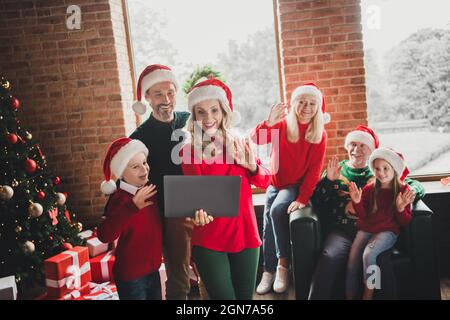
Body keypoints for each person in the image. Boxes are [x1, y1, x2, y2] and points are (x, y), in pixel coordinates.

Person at [309, 125, 425, 299]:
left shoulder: (380, 170)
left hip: (376, 232)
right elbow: (316, 202)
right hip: (343, 231)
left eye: (363, 145)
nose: (356, 150)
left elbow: (411, 184)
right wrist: (328, 181)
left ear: (372, 150)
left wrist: (409, 195)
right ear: (347, 147)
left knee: (380, 261)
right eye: (353, 144)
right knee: (330, 255)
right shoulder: (336, 170)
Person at [180, 78, 271, 299]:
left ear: (223, 112)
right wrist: (196, 212)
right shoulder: (189, 151)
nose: (208, 118)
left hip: (246, 233)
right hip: (211, 237)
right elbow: (195, 197)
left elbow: (265, 181)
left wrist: (249, 165)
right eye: (201, 112)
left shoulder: (241, 142)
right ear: (194, 116)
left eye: (214, 110)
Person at [252, 83, 328, 294]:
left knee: (277, 211)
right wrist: (268, 123)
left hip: (292, 186)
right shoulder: (282, 125)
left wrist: (303, 198)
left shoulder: (318, 135)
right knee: (267, 226)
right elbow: (256, 140)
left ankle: (282, 265)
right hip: (273, 185)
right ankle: (268, 272)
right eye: (301, 102)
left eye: (312, 103)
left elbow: (314, 170)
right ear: (294, 104)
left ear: (318, 107)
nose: (306, 107)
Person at [128, 64, 192, 300]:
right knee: (179, 277)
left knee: (208, 270)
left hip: (202, 203)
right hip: (168, 212)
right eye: (158, 94)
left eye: (170, 93)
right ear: (147, 97)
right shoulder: (139, 138)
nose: (166, 100)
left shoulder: (190, 121)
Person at [347, 147, 414, 300]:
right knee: (352, 261)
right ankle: (349, 296)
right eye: (377, 169)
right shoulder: (370, 188)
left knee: (368, 254)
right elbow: (363, 215)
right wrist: (357, 202)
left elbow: (404, 221)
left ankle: (368, 295)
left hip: (387, 232)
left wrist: (400, 208)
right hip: (366, 230)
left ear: (394, 169)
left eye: (385, 168)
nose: (381, 173)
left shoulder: (404, 190)